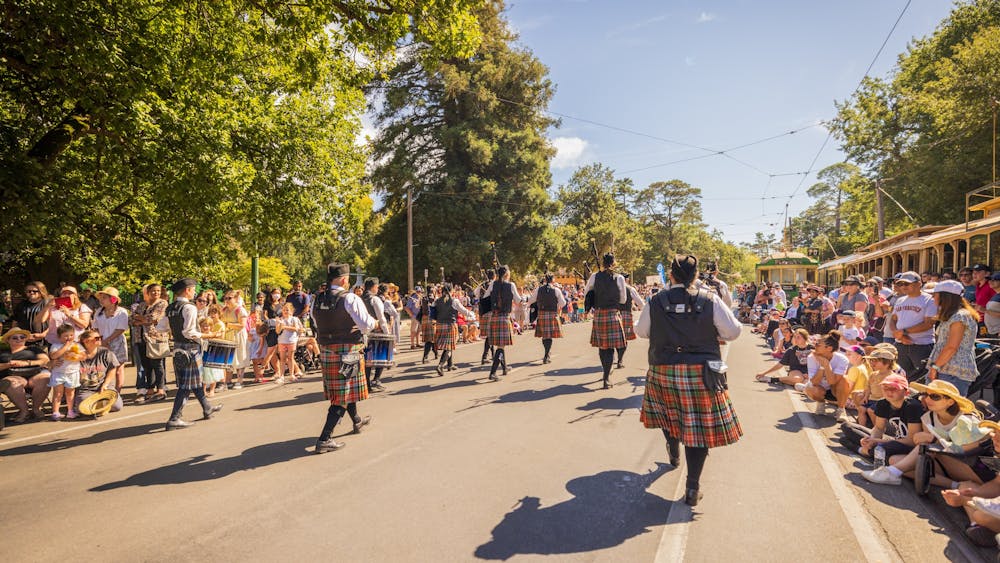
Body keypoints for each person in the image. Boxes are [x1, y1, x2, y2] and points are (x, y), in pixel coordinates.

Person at [635, 254, 742, 506]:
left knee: (668, 414)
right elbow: (734, 332)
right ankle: (692, 487)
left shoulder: (656, 300)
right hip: (701, 372)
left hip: (664, 368)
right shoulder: (710, 299)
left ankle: (673, 450)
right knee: (698, 431)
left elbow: (641, 331)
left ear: (671, 276)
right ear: (695, 277)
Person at [862, 380, 991, 489]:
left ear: (950, 402)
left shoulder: (966, 419)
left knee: (925, 446)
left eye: (935, 396)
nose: (928, 399)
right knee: (894, 459)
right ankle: (956, 485)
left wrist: (934, 439)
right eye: (926, 395)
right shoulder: (928, 417)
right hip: (943, 463)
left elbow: (971, 448)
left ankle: (892, 473)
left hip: (967, 465)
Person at [312, 263, 378, 453]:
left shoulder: (317, 299)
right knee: (342, 396)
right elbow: (365, 326)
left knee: (345, 390)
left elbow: (316, 323)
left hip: (326, 351)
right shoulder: (350, 298)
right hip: (348, 351)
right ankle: (325, 438)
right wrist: (375, 322)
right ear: (343, 279)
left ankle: (356, 421)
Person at [157, 278, 223, 430]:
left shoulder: (171, 307)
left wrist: (175, 331)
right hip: (190, 348)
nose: (194, 292)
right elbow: (189, 332)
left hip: (178, 348)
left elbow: (161, 328)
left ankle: (207, 408)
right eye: (193, 289)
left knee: (194, 382)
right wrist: (209, 335)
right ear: (187, 290)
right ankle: (174, 418)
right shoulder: (189, 307)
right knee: (186, 386)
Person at [839, 373, 923, 459]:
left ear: (906, 392)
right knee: (846, 426)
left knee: (885, 448)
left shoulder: (912, 407)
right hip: (892, 440)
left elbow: (912, 441)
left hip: (906, 446)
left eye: (894, 388)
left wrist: (877, 441)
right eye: (885, 388)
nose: (889, 392)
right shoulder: (883, 403)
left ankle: (863, 451)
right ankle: (870, 451)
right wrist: (871, 440)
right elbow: (879, 428)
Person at [926, 280, 981, 396]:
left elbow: (951, 347)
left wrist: (935, 367)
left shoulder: (959, 316)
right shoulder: (954, 315)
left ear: (945, 297)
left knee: (949, 409)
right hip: (946, 369)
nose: (933, 298)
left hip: (952, 373)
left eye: (935, 295)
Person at [586, 253, 627, 389]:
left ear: (603, 264)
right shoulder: (619, 278)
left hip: (599, 314)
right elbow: (623, 300)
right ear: (614, 263)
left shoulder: (594, 277)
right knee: (610, 348)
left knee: (603, 347)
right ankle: (606, 378)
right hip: (613, 313)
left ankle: (606, 375)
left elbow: (588, 293)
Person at [886, 271, 937, 380]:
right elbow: (893, 320)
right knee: (901, 377)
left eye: (907, 283)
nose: (903, 286)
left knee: (922, 378)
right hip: (901, 344)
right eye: (900, 284)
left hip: (921, 345)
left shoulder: (929, 300)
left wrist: (904, 332)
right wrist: (899, 335)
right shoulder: (900, 300)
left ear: (919, 283)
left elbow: (928, 323)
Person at [799, 330, 852, 421]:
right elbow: (814, 382)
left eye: (818, 345)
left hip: (834, 390)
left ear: (829, 348)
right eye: (815, 343)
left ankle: (841, 409)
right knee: (812, 389)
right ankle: (820, 403)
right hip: (819, 388)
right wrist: (822, 367)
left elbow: (832, 381)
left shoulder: (842, 359)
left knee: (844, 379)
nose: (814, 346)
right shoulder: (811, 357)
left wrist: (827, 365)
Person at [0, 328, 51, 423]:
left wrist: (26, 363)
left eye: (22, 337)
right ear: (8, 340)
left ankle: (36, 409)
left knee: (46, 378)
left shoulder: (33, 349)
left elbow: (45, 360)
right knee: (12, 382)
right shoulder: (3, 353)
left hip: (34, 375)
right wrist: (9, 364)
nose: (19, 339)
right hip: (13, 376)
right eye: (15, 338)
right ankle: (24, 411)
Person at [132, 284, 169, 403]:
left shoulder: (162, 303)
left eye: (158, 291)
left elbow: (154, 318)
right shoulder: (142, 305)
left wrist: (140, 319)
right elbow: (131, 319)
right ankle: (150, 388)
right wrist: (142, 320)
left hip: (155, 338)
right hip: (141, 338)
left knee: (157, 365)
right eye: (153, 291)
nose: (156, 293)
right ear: (148, 292)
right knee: (146, 365)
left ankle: (161, 389)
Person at [74, 329, 125, 414]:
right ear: (86, 341)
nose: (100, 339)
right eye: (97, 338)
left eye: (100, 337)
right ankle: (100, 407)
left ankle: (97, 408)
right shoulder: (78, 356)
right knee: (82, 408)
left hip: (104, 387)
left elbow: (112, 369)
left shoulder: (106, 352)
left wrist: (105, 384)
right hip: (86, 389)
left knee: (117, 406)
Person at [486, 265, 522, 381]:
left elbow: (485, 297)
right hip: (504, 317)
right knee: (500, 347)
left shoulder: (492, 284)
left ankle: (505, 368)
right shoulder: (511, 285)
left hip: (494, 317)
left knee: (500, 345)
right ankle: (493, 372)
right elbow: (518, 300)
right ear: (506, 274)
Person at [432, 283, 475, 376]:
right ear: (451, 291)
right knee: (449, 347)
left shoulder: (437, 301)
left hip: (439, 325)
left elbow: (432, 311)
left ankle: (450, 365)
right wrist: (472, 314)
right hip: (450, 325)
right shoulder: (454, 301)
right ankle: (440, 365)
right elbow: (463, 310)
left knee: (449, 345)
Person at [93, 286, 129, 392]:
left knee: (118, 369)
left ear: (113, 299)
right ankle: (105, 390)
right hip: (101, 341)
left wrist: (107, 340)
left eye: (104, 297)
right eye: (101, 297)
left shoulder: (121, 312)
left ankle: (117, 392)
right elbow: (95, 327)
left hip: (117, 341)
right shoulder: (98, 312)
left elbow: (121, 329)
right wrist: (100, 340)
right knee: (103, 368)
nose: (101, 300)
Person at [47, 324, 84, 420]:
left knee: (70, 393)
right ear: (59, 337)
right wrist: (66, 346)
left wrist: (75, 355)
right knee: (58, 393)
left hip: (72, 372)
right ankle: (55, 412)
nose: (69, 338)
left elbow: (83, 356)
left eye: (71, 335)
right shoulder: (55, 346)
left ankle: (70, 411)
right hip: (58, 373)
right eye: (65, 336)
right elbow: (53, 356)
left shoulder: (77, 345)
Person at [528, 274, 566, 364]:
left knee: (545, 335)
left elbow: (531, 300)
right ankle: (547, 355)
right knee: (549, 336)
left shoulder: (538, 289)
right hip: (552, 314)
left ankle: (547, 354)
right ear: (552, 280)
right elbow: (563, 303)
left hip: (542, 314)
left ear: (545, 280)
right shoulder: (556, 290)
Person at [359, 278, 389, 391]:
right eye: (376, 287)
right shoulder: (375, 299)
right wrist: (387, 333)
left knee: (367, 359)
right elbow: (381, 318)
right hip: (376, 331)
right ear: (373, 287)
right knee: (381, 356)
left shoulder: (360, 299)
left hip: (363, 332)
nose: (377, 289)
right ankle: (376, 379)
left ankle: (366, 383)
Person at [220, 290, 250, 389]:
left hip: (238, 336)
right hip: (228, 336)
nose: (227, 300)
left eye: (230, 298)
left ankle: (239, 381)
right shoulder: (224, 310)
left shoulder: (240, 310)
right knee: (229, 359)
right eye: (226, 298)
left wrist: (228, 325)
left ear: (236, 299)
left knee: (240, 357)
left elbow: (242, 325)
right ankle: (228, 381)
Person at [616, 273, 644, 369]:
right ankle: (620, 360)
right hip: (626, 314)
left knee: (616, 337)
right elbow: (640, 303)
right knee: (624, 338)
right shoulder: (630, 289)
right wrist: (645, 310)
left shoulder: (614, 289)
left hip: (615, 314)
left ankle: (618, 358)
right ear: (626, 280)